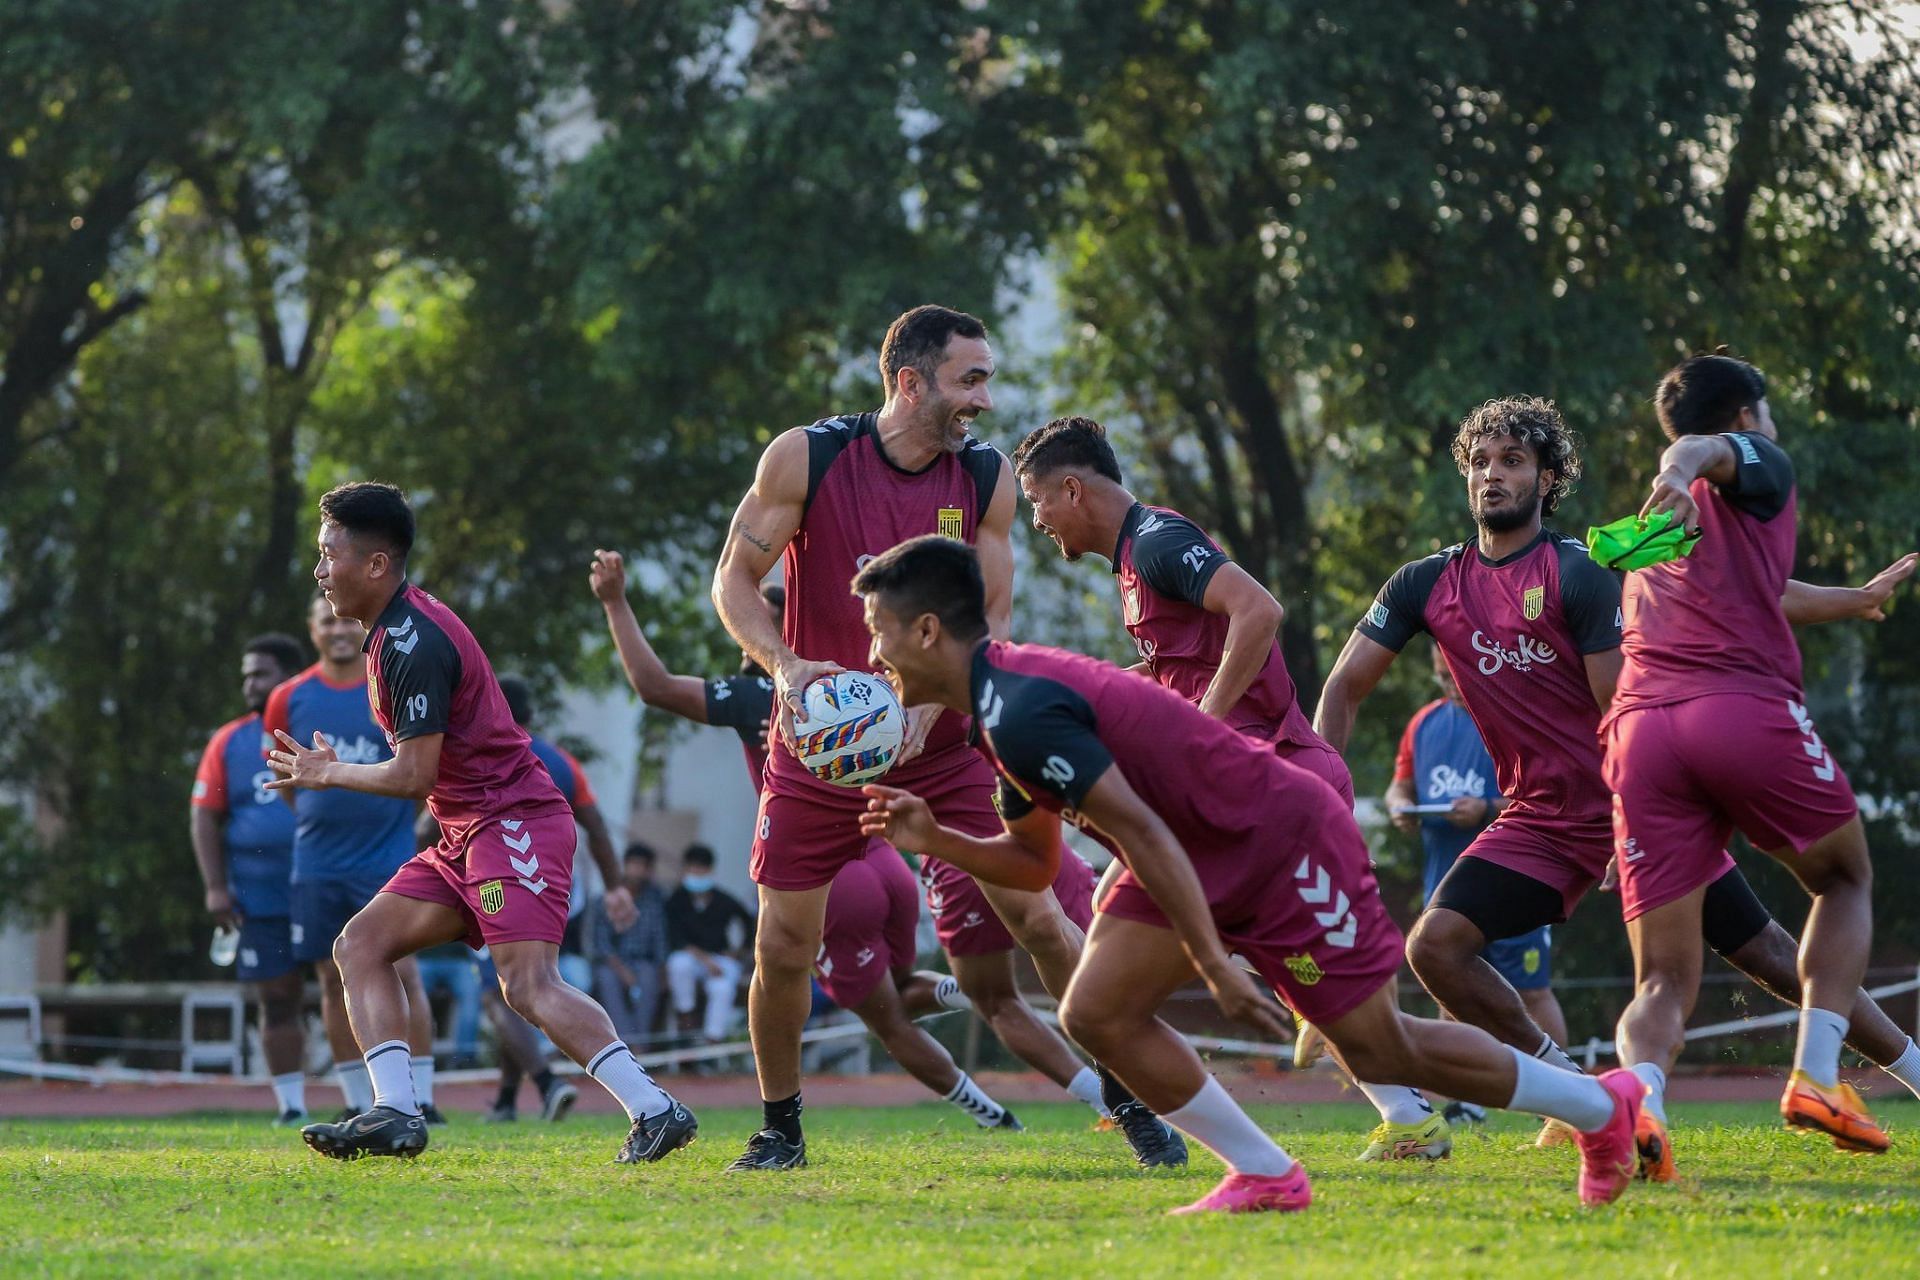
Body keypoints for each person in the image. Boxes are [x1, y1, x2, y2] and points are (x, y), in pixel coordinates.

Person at [852, 536, 1652, 1213]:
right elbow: (1035, 863)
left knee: (1379, 1049)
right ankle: (1267, 1172)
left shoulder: (1019, 710)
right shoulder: (998, 717)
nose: (871, 652)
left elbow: (1142, 832)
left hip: (1277, 843)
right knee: (1096, 1010)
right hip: (1198, 850)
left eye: (876, 630)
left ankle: (1599, 1105)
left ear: (926, 631)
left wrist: (1213, 963)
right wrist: (936, 839)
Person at [1315, 394, 1920, 1173]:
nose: (1492, 476)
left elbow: (1652, 671)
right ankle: (1575, 1092)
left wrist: (1853, 599)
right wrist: (1324, 793)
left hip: (1627, 806)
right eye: (1480, 463)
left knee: (1770, 955)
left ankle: (1910, 1070)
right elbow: (1342, 689)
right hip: (1533, 821)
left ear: (1547, 476)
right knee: (1436, 947)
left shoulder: (1582, 571)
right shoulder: (1424, 584)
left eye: (1512, 461)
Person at [707, 304, 1178, 1170]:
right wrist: (779, 663)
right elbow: (733, 577)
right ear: (910, 382)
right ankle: (780, 1129)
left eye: (987, 379)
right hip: (821, 743)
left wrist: (935, 704)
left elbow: (993, 614)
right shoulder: (807, 456)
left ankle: (1131, 1100)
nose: (985, 401)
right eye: (970, 381)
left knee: (1038, 916)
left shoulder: (988, 478)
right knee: (781, 944)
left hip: (950, 742)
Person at [589, 548, 1115, 1133]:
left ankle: (988, 1115)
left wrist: (615, 603)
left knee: (884, 1016)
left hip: (833, 876)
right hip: (888, 862)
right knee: (961, 967)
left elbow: (653, 684)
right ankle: (1077, 1062)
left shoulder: (752, 696)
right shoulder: (871, 691)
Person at [268, 482, 694, 1163]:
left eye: (329, 555)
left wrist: (329, 771)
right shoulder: (394, 633)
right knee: (360, 945)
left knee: (526, 983)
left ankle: (655, 1108)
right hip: (468, 832)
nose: (320, 571)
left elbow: (413, 777)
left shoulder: (410, 642)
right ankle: (395, 1114)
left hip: (512, 822)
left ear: (376, 565)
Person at [1606, 354, 1904, 1156]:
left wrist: (1856, 599)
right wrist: (1680, 461)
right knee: (1844, 877)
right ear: (1746, 418)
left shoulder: (1662, 528)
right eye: (1764, 418)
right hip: (1735, 709)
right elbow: (1700, 453)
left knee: (1662, 978)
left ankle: (1639, 1101)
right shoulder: (1750, 458)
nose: (1772, 430)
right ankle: (1814, 1075)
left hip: (1639, 737)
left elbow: (1761, 591)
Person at [1010, 416, 1351, 803]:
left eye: (1037, 500)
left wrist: (1202, 727)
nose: (1037, 520)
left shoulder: (1155, 543)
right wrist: (1082, 692)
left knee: (1138, 843)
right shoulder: (1131, 558)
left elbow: (1259, 611)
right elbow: (1181, 672)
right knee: (1133, 853)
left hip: (1277, 774)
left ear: (1072, 490)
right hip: (1254, 773)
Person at [264, 589, 441, 1125]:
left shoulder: (386, 676)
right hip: (316, 864)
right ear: (312, 629)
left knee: (404, 970)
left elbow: (420, 766)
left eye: (343, 623)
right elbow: (284, 775)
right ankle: (354, 1099)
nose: (338, 631)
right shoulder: (287, 696)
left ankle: (422, 1099)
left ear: (356, 624)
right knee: (329, 977)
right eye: (325, 622)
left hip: (386, 857)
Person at [1387, 641, 1567, 1125]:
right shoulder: (1425, 722)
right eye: (1441, 678)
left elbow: (1551, 794)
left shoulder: (1514, 711)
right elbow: (1401, 781)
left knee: (1530, 990)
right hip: (1444, 880)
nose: (1451, 686)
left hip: (1512, 878)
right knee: (1450, 985)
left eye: (1456, 675)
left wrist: (1486, 809)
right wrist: (1399, 802)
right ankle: (1467, 1100)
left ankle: (1565, 1100)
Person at [190, 632, 309, 1124]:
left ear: (289, 678)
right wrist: (216, 886)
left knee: (349, 991)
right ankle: (291, 1106)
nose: (250, 685)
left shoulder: (319, 728)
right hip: (261, 897)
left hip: (325, 886)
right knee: (277, 999)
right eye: (246, 676)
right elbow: (202, 816)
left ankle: (369, 1100)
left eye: (260, 674)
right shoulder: (229, 740)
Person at [663, 845, 754, 1045]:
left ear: (710, 871)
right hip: (691, 958)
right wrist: (705, 961)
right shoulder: (676, 901)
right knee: (679, 964)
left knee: (721, 988)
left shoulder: (723, 900)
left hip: (720, 958)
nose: (697, 874)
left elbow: (749, 922)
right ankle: (686, 1016)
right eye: (693, 869)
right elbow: (675, 938)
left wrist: (740, 951)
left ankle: (713, 1042)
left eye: (701, 869)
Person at [592, 843, 670, 1048]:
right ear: (624, 866)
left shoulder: (656, 899)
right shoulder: (606, 898)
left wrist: (663, 969)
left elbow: (660, 939)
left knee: (649, 978)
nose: (637, 870)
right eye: (633, 864)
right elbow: (601, 942)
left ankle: (640, 1045)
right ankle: (623, 1044)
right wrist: (622, 970)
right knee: (606, 979)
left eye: (642, 866)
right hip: (613, 963)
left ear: (649, 870)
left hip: (644, 962)